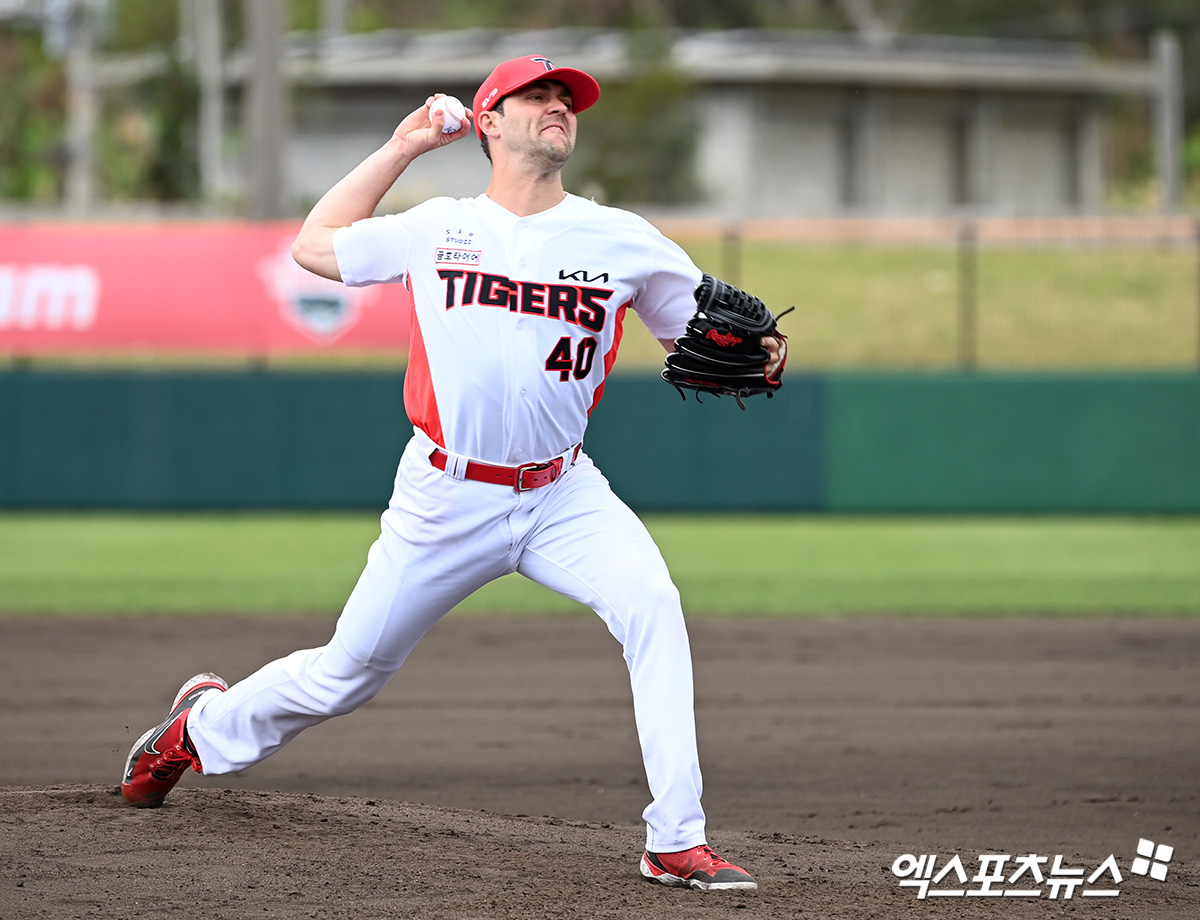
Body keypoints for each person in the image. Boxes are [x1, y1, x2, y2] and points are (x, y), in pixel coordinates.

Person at [121, 54, 784, 892]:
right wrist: (401, 149)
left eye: (567, 98)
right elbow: (313, 246)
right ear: (489, 122)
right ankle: (198, 730)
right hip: (445, 492)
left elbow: (711, 333)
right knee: (347, 673)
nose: (558, 106)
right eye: (537, 96)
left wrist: (760, 350)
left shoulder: (622, 239)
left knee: (653, 604)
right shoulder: (437, 227)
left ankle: (676, 840)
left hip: (563, 492)